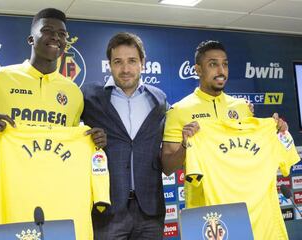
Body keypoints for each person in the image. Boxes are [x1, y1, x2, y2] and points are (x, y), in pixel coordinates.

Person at [161, 40, 287, 208]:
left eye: (225, 64)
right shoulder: (178, 110)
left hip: (244, 204)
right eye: (213, 64)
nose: (221, 71)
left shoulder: (243, 108)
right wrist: (185, 145)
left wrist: (277, 130)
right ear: (198, 70)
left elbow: (252, 152)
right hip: (204, 209)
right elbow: (167, 167)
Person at [0, 8, 106, 147]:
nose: (55, 37)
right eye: (47, 30)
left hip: (56, 176)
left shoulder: (73, 92)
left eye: (62, 34)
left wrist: (93, 140)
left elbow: (72, 142)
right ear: (31, 39)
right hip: (9, 176)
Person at [82, 32, 167, 239]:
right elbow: (59, 118)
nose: (126, 69)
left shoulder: (159, 99)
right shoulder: (89, 96)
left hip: (150, 210)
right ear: (109, 64)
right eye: (118, 62)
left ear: (143, 63)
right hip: (107, 210)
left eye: (132, 61)